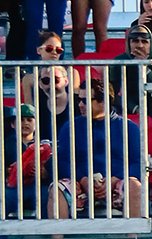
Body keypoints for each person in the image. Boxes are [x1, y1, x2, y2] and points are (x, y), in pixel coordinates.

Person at [53, 75, 145, 219]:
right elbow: (62, 161)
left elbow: (138, 162)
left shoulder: (129, 128)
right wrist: (82, 179)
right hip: (80, 184)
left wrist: (115, 179)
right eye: (79, 100)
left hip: (118, 183)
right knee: (56, 189)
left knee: (135, 186)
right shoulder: (70, 127)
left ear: (105, 102)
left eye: (86, 100)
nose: (80, 105)